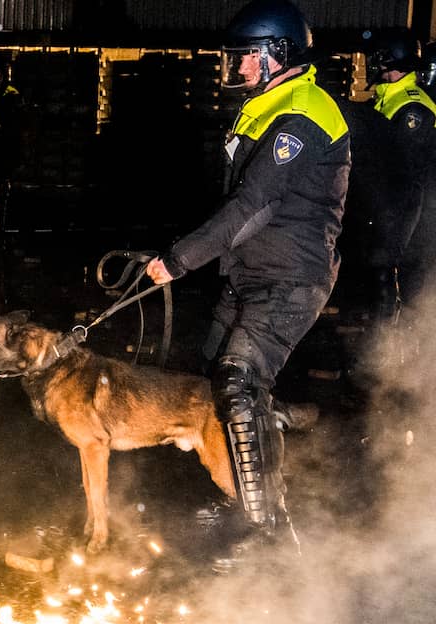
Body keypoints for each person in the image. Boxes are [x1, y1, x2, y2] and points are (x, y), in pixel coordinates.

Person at [144, 0, 349, 570]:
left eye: (243, 59)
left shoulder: (305, 112)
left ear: (275, 53)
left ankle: (266, 534)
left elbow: (254, 205)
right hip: (249, 273)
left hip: (289, 278)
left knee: (238, 382)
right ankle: (242, 495)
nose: (234, 70)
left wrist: (180, 259)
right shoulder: (266, 103)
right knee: (215, 381)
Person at [358, 31, 436, 349]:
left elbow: (406, 174)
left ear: (386, 60)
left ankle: (392, 352)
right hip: (394, 209)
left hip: (415, 215)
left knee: (401, 278)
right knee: (384, 276)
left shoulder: (412, 108)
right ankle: (380, 344)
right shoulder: (388, 100)